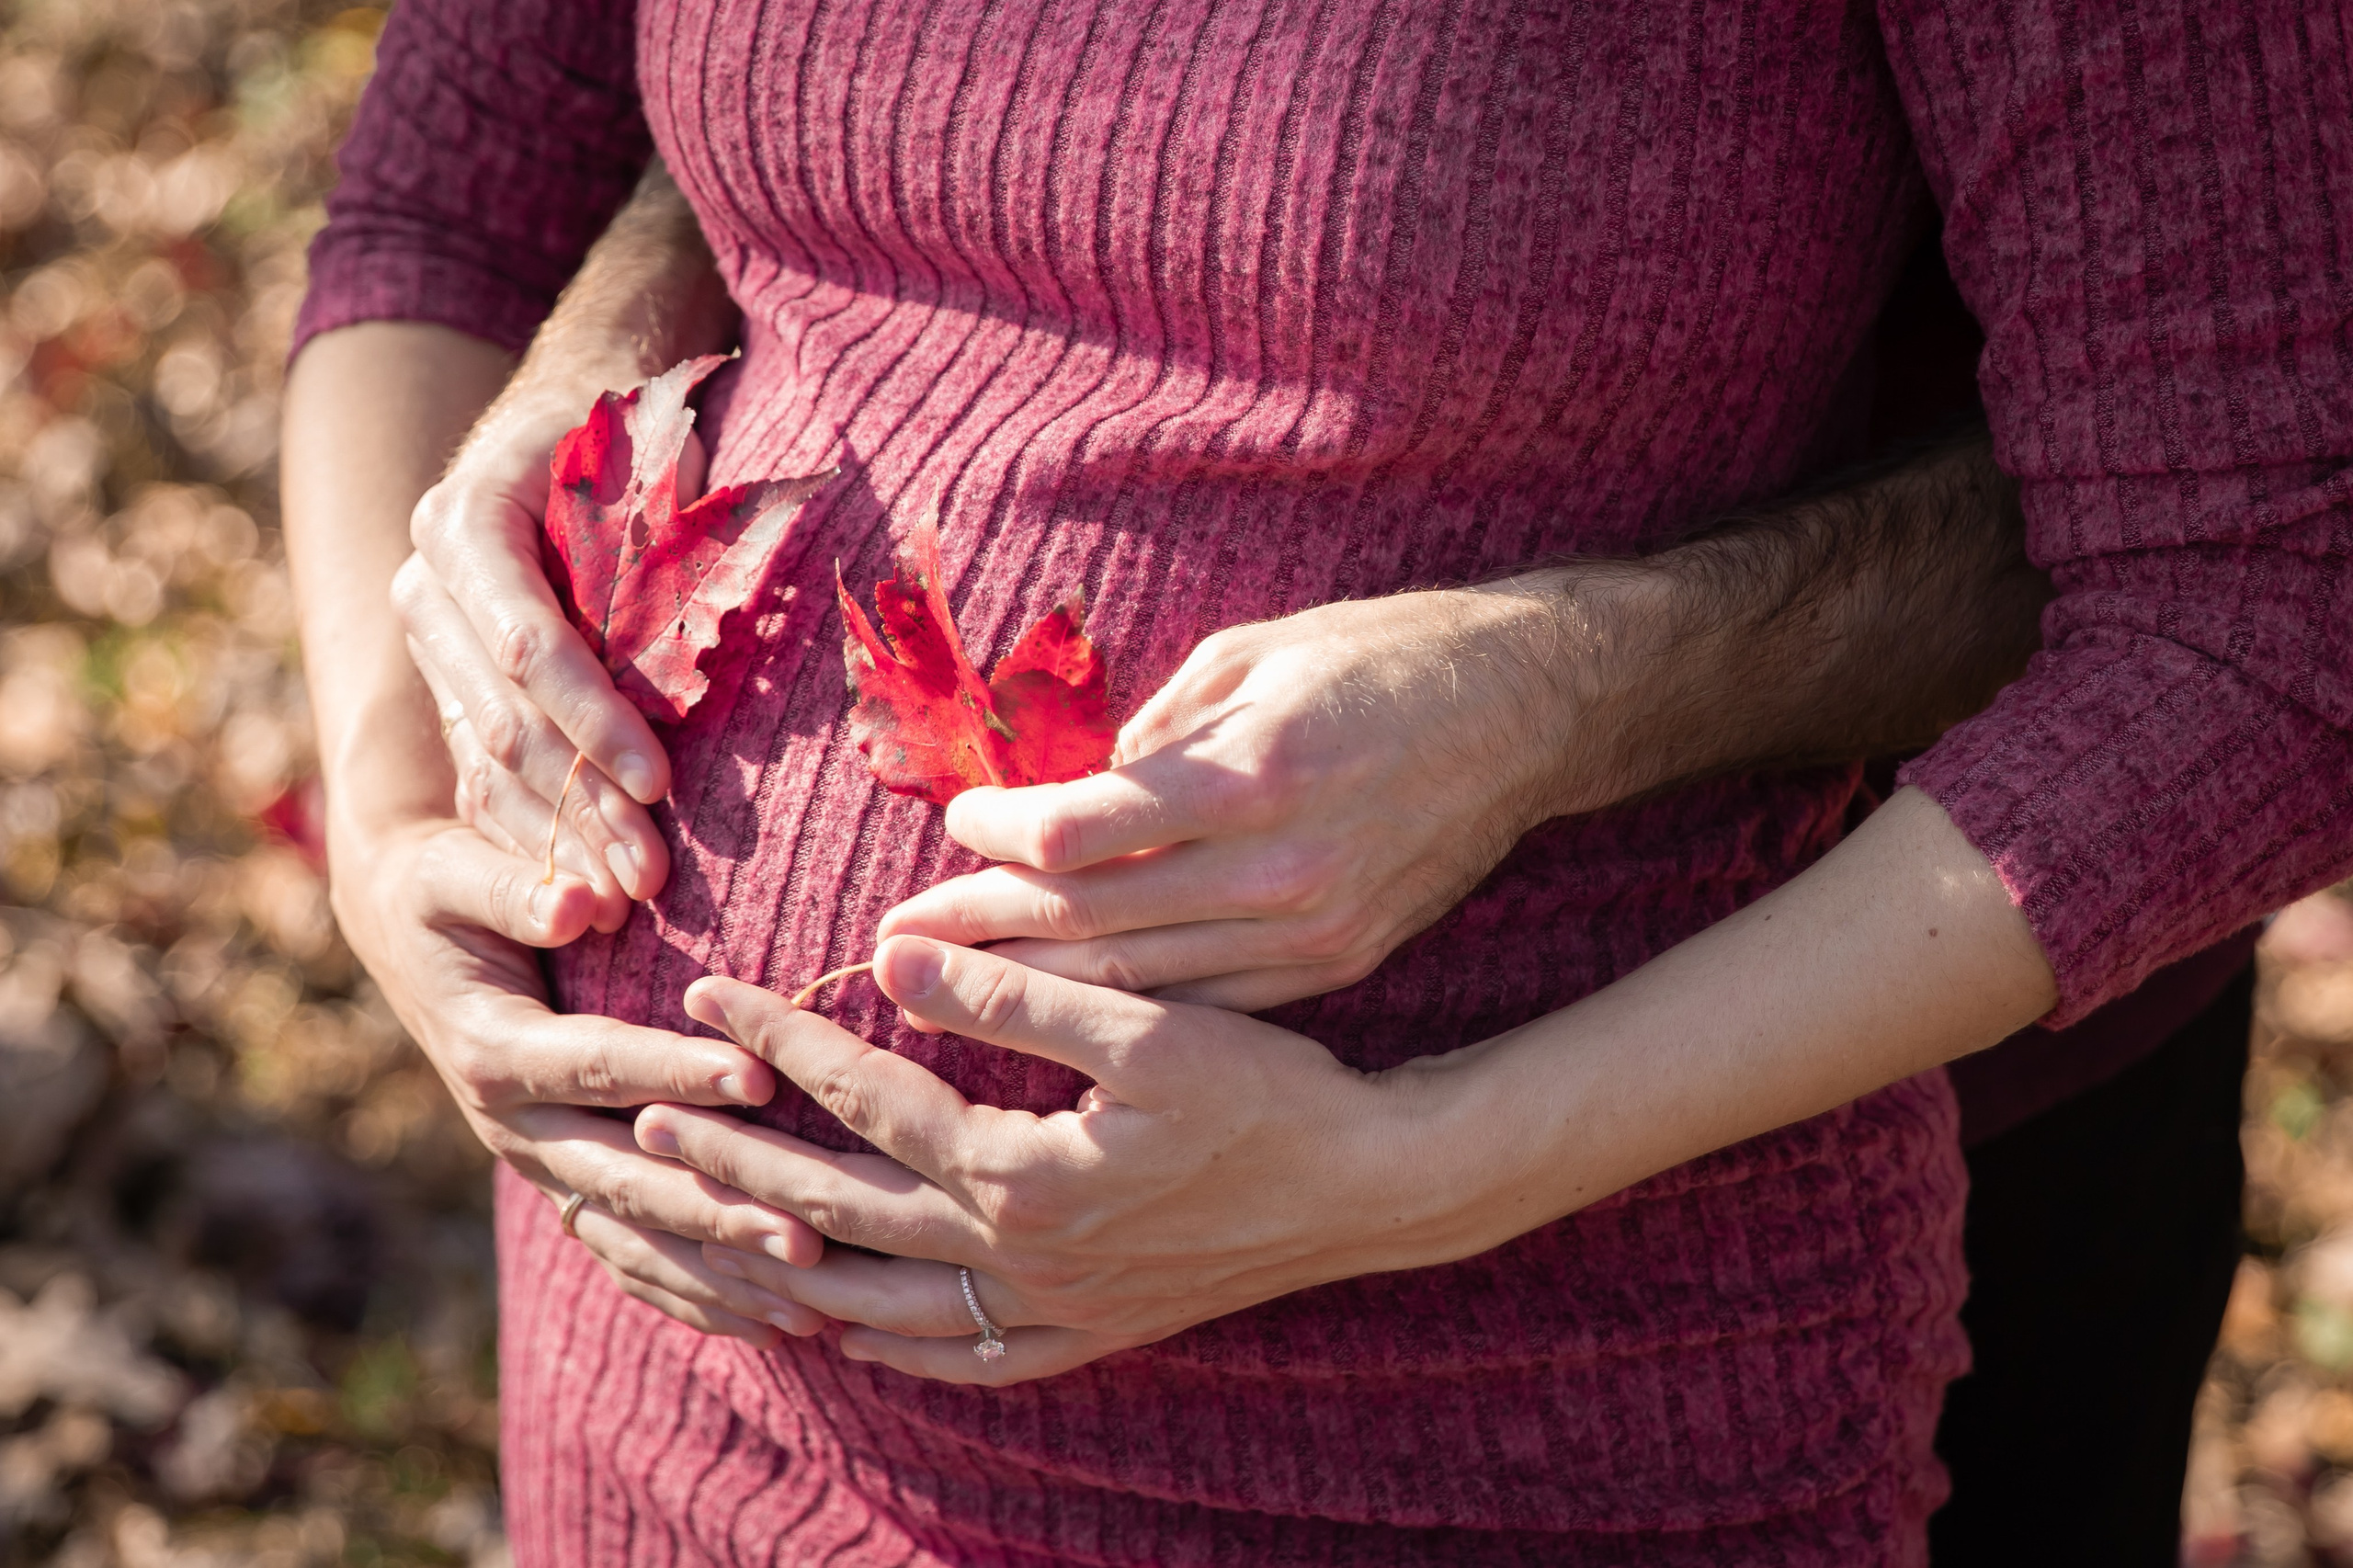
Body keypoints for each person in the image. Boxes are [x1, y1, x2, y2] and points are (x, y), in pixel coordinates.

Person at [280, 3, 2353, 1563]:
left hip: (1488, 1393)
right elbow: (456, 190)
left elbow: (2266, 594)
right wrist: (389, 816)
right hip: (668, 1372)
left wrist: (1418, 1159)